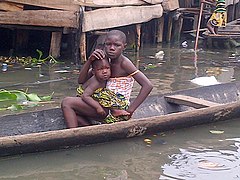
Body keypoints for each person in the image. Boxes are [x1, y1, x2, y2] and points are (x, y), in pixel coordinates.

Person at [61, 30, 153, 128]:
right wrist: (89, 61)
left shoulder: (125, 63)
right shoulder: (105, 61)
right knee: (75, 110)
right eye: (108, 44)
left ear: (124, 47)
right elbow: (81, 80)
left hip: (113, 109)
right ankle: (88, 129)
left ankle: (73, 134)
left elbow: (148, 85)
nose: (112, 48)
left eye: (116, 45)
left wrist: (130, 110)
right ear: (104, 45)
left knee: (67, 102)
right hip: (103, 105)